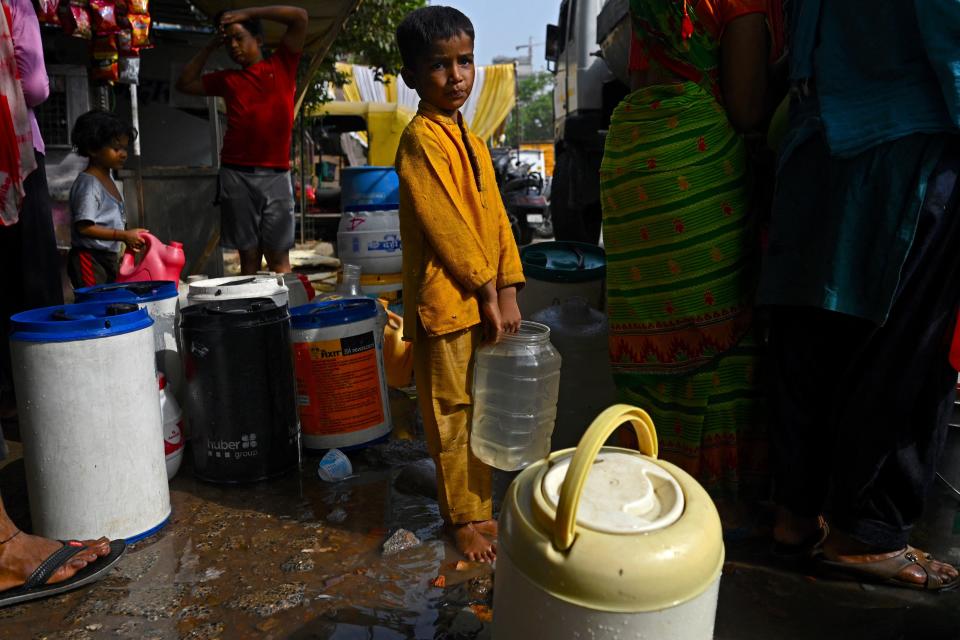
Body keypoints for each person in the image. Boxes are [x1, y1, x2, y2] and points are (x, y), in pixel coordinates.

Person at [760, 1, 960, 590]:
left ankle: (798, 516)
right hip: (906, 149)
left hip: (816, 146)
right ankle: (865, 534)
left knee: (815, 338)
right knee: (903, 352)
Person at [599, 0, 783, 499]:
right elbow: (746, 107)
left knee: (651, 340)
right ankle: (712, 502)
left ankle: (647, 487)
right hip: (693, 163)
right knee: (720, 343)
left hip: (632, 154)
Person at [394, 6, 524, 563]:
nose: (457, 77)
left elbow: (494, 215)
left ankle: (480, 508)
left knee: (483, 410)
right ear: (412, 78)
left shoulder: (469, 138)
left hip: (483, 299)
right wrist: (488, 290)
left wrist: (510, 284)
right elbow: (448, 227)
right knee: (451, 413)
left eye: (465, 61)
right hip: (446, 305)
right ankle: (460, 520)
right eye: (440, 66)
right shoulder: (421, 140)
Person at [175, 5, 308, 275]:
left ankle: (285, 315)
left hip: (276, 175)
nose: (233, 46)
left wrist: (247, 13)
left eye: (239, 37)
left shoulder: (282, 64)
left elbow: (300, 17)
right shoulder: (228, 80)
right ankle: (250, 314)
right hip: (237, 174)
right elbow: (184, 83)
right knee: (248, 258)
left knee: (279, 261)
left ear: (258, 40)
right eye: (229, 42)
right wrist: (211, 46)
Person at [0, 0, 63, 421]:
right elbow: (36, 87)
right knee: (32, 276)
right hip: (15, 154)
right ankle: (43, 398)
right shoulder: (15, 4)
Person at [66, 110, 146, 288]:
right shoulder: (89, 184)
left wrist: (127, 241)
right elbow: (84, 228)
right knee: (94, 305)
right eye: (116, 149)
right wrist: (124, 236)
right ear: (93, 149)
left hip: (108, 257)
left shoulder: (109, 180)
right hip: (90, 258)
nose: (124, 154)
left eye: (125, 148)